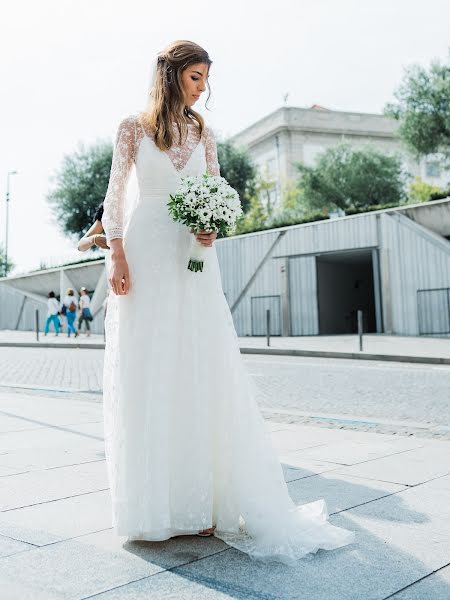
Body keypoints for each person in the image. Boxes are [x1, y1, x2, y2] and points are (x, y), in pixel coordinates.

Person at [101, 40, 355, 565]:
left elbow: (214, 188)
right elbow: (113, 194)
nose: (202, 88)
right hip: (146, 250)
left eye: (205, 79)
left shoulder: (203, 132)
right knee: (149, 366)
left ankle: (205, 501)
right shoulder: (132, 128)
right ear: (171, 75)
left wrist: (211, 226)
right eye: (195, 77)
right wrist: (117, 257)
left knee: (200, 365)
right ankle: (154, 508)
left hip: (193, 255)